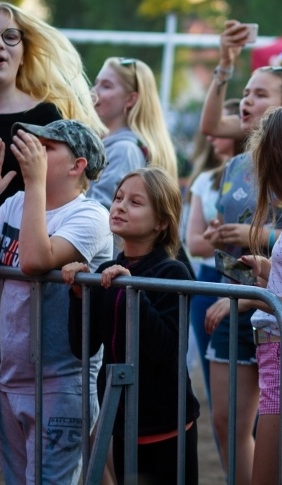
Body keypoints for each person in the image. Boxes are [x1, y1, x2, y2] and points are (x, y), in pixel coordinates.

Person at [0, 0, 105, 483]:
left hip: (27, 304)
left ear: (25, 50)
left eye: (10, 36)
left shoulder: (44, 118)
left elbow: (51, 225)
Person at [200, 19, 282, 485]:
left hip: (279, 320)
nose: (246, 101)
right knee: (228, 424)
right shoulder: (233, 166)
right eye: (245, 93)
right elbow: (210, 124)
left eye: (259, 94)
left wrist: (251, 245)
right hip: (243, 306)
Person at [63, 167, 200, 484]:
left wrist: (131, 293)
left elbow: (166, 348)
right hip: (123, 422)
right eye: (118, 198)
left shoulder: (172, 272)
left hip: (169, 424)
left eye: (135, 202)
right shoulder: (108, 270)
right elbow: (83, 347)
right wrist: (78, 295)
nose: (120, 206)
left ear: (161, 222)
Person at [184, 98, 241, 403]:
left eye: (222, 125)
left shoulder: (264, 176)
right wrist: (237, 236)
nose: (211, 133)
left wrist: (224, 236)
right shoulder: (205, 181)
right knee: (218, 393)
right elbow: (192, 243)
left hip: (252, 282)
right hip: (208, 279)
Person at [88, 56, 179, 209]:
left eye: (106, 86)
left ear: (130, 99)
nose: (93, 92)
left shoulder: (124, 150)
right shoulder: (110, 144)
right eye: (96, 83)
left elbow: (99, 215)